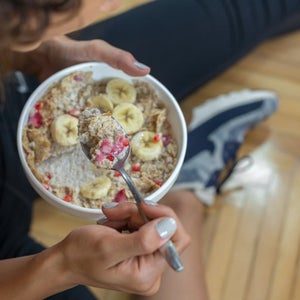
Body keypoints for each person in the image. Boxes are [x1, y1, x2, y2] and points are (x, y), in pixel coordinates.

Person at [0, 0, 293, 299]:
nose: (111, 4)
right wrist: (60, 267)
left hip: (15, 93)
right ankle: (184, 197)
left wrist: (37, 50)